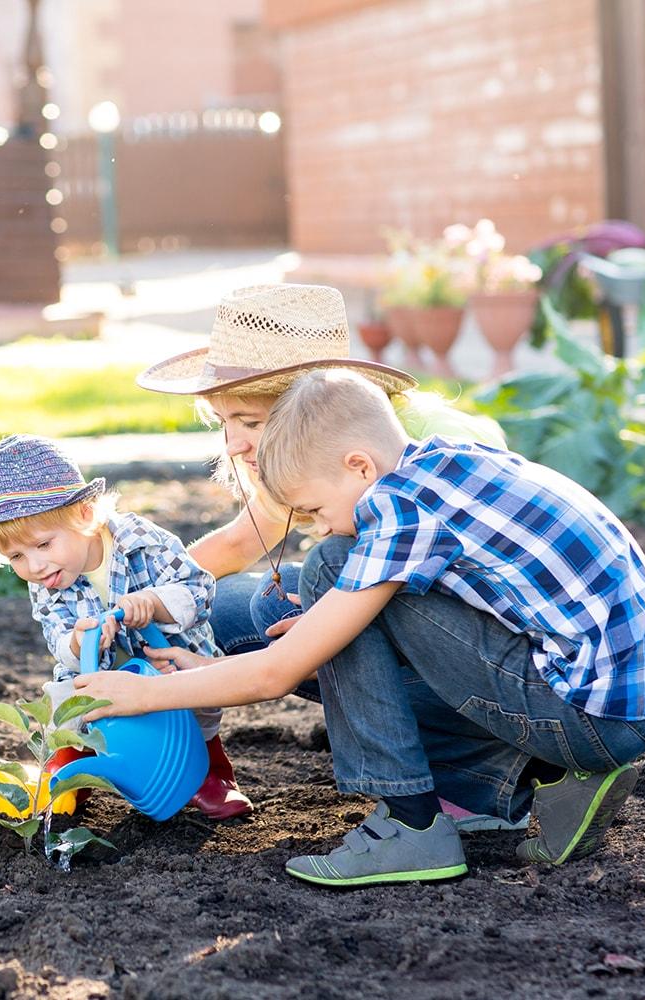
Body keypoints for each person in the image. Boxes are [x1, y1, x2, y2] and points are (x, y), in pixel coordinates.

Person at [75, 369, 645, 887]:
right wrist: (213, 670)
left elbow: (277, 673)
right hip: (621, 700)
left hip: (590, 718)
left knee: (332, 566)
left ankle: (413, 823)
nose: (317, 524)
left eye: (315, 508)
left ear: (359, 465)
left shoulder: (401, 514)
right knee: (339, 584)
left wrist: (144, 694)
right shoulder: (446, 463)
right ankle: (539, 776)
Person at [137, 282, 520, 832]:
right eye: (222, 421)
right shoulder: (312, 447)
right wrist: (139, 596)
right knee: (219, 608)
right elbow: (245, 542)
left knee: (316, 579)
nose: (233, 444)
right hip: (392, 609)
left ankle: (475, 772)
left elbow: (490, 592)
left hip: (495, 659)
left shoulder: (424, 445)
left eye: (248, 420)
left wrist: (328, 615)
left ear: (306, 402)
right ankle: (201, 766)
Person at [0, 435, 252, 819]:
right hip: (102, 667)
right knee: (66, 703)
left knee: (194, 706)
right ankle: (65, 775)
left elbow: (199, 589)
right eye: (16, 556)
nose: (34, 566)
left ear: (82, 514)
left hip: (166, 655)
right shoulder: (45, 581)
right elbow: (56, 636)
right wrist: (77, 643)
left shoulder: (142, 542)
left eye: (43, 545)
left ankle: (211, 774)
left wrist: (155, 603)